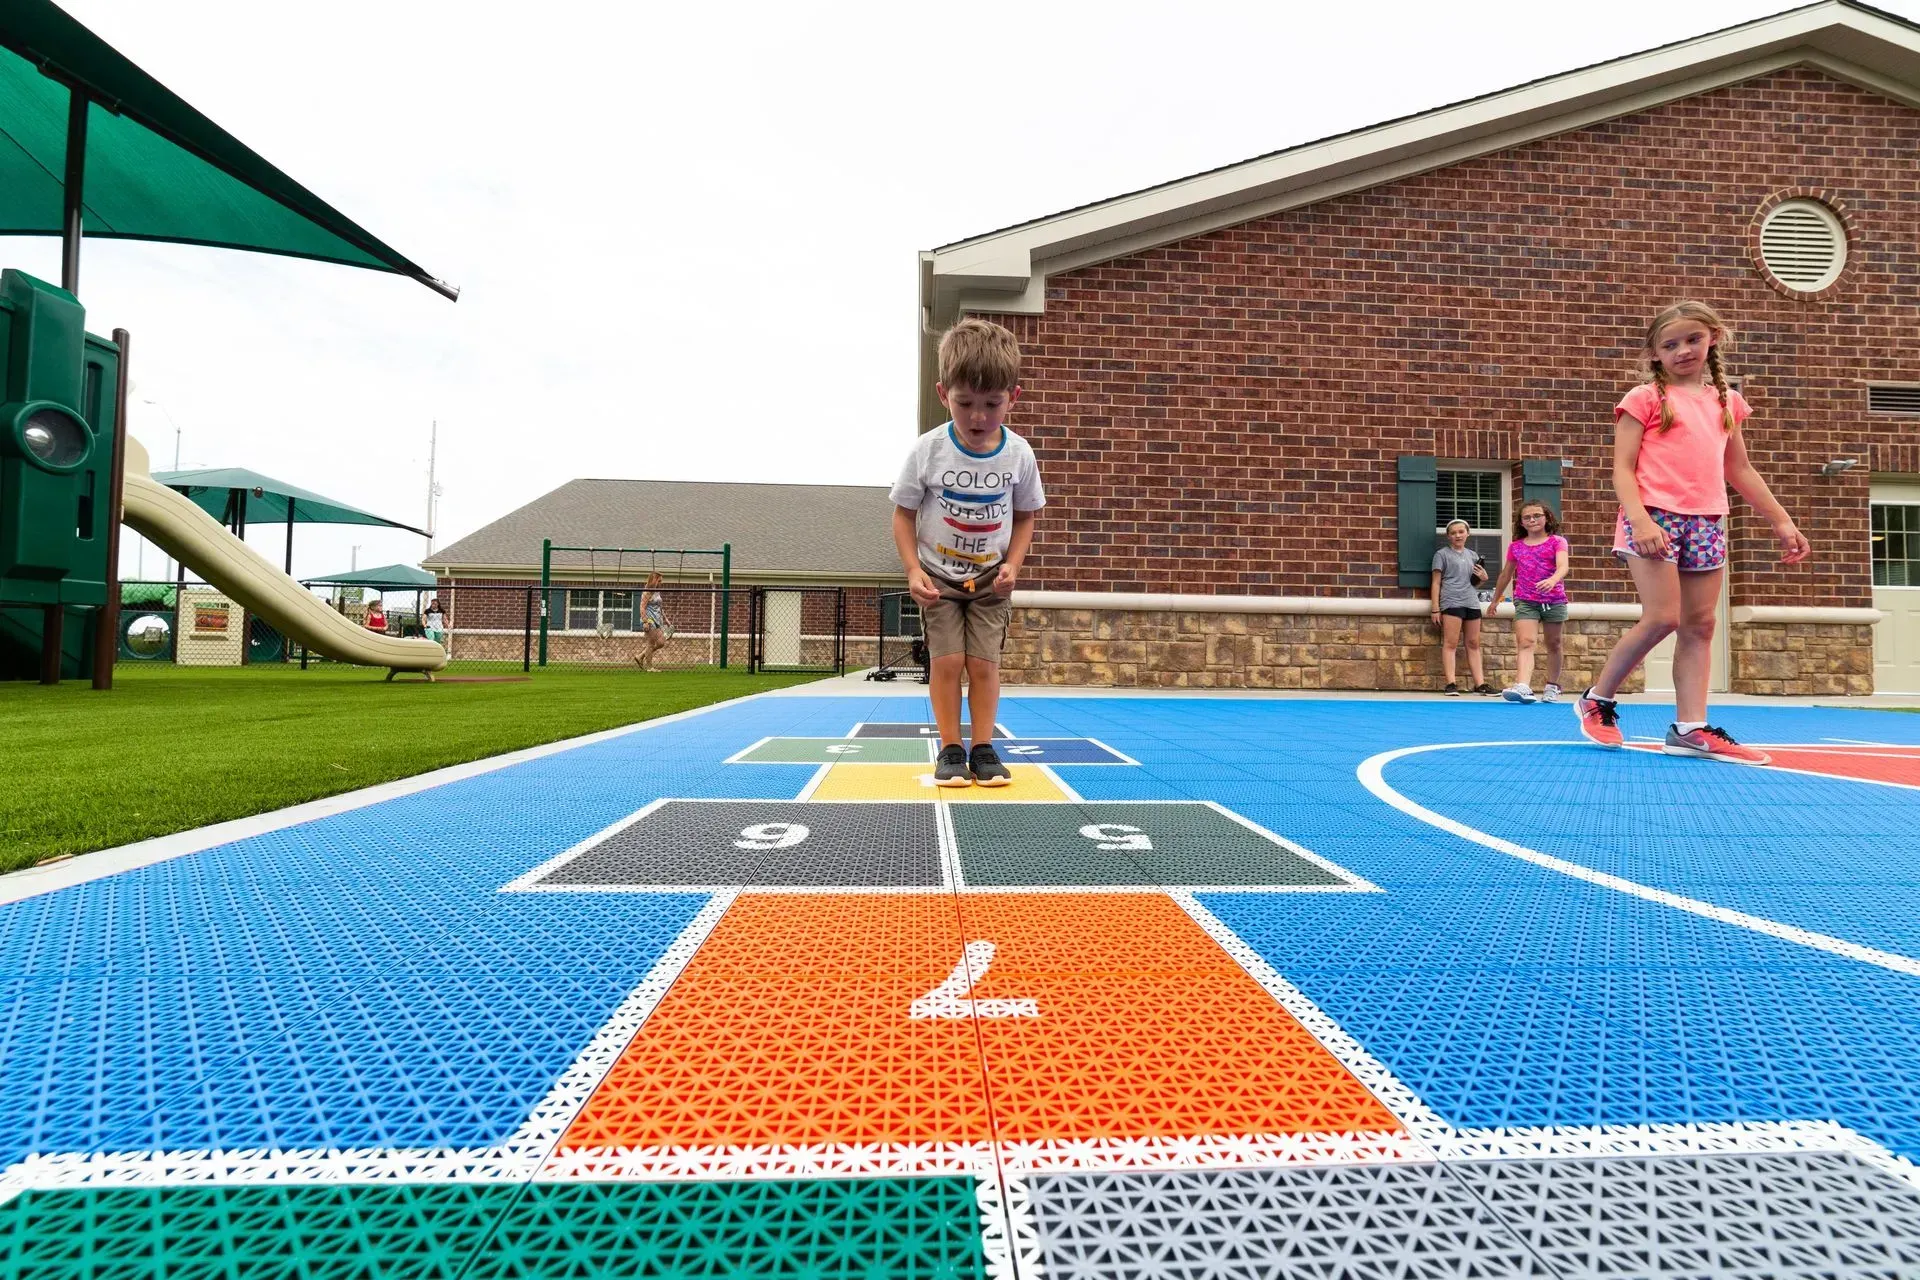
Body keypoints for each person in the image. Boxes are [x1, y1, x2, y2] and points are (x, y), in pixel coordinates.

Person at [1575, 301, 1809, 763]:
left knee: (1701, 624)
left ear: (1713, 339)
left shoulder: (1725, 401)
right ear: (1654, 353)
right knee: (1663, 617)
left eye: (1692, 340)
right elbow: (1621, 469)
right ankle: (1597, 699)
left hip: (1707, 520)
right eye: (1671, 344)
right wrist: (1639, 520)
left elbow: (1739, 469)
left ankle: (1689, 727)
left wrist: (1781, 520)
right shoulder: (1644, 398)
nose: (1683, 350)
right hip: (1653, 516)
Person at [890, 318, 1046, 786]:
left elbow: (1025, 516)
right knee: (947, 662)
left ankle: (982, 746)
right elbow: (902, 514)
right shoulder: (928, 451)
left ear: (1012, 398)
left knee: (982, 663)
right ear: (944, 395)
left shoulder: (1018, 455)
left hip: (991, 579)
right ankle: (951, 749)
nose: (978, 417)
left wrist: (1014, 564)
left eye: (992, 405)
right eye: (965, 404)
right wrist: (913, 570)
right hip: (938, 580)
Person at [1486, 500, 1569, 703]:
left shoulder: (1557, 541)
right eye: (1527, 517)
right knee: (1526, 642)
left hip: (1554, 599)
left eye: (1536, 515)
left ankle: (1552, 686)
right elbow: (1506, 574)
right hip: (1525, 600)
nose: (1532, 520)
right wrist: (1495, 600)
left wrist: (1552, 580)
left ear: (1546, 517)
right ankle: (1523, 685)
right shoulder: (1516, 547)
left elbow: (1563, 566)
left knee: (1554, 644)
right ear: (1521, 522)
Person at [1429, 519, 1491, 696]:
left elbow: (1472, 584)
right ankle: (1451, 683)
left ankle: (1480, 684)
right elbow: (1436, 582)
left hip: (1471, 602)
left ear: (1467, 534)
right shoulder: (1442, 555)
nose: (1457, 535)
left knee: (1473, 643)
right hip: (1451, 602)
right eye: (1453, 532)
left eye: (1461, 532)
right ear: (1448, 536)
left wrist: (1483, 579)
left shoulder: (1473, 555)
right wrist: (1435, 608)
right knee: (1451, 643)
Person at [634, 572, 671, 671]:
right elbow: (642, 607)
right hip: (649, 619)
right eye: (659, 581)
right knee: (650, 643)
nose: (661, 583)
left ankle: (641, 656)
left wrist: (666, 619)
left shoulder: (657, 591)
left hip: (658, 619)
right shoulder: (647, 592)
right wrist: (645, 621)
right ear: (654, 580)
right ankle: (650, 667)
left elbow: (659, 607)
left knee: (661, 642)